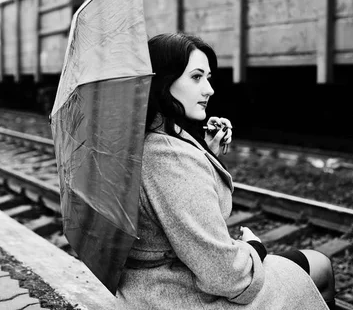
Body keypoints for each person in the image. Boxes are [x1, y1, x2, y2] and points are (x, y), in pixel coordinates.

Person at [116, 32, 336, 309]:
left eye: (208, 77)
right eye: (196, 77)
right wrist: (256, 247)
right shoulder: (170, 158)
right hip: (179, 295)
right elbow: (227, 277)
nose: (209, 89)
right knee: (321, 266)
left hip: (147, 286)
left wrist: (204, 153)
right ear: (163, 83)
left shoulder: (144, 140)